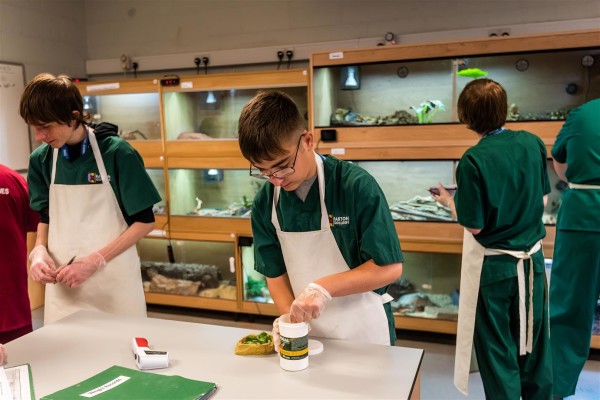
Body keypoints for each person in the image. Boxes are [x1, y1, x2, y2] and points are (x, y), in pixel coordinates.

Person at [237, 90, 403, 346]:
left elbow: (389, 267)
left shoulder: (354, 186)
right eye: (263, 171)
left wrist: (322, 288)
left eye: (282, 165)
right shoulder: (266, 203)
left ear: (307, 141)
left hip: (362, 331)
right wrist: (289, 319)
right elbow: (275, 273)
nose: (276, 179)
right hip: (308, 334)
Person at [433, 79, 553, 398]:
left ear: (466, 117)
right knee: (536, 348)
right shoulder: (532, 143)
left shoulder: (473, 160)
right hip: (533, 264)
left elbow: (474, 226)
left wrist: (449, 201)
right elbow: (541, 200)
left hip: (496, 270)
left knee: (498, 352)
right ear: (504, 109)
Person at [19, 73, 162, 324]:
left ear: (73, 117)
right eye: (34, 127)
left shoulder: (117, 153)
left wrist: (96, 260)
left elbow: (145, 221)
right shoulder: (41, 159)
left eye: (46, 126)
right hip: (64, 291)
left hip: (114, 289)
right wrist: (39, 250)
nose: (39, 136)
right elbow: (46, 216)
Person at [549, 98, 600, 399]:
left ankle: (556, 391)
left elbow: (561, 164)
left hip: (583, 216)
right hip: (582, 215)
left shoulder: (583, 113)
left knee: (569, 310)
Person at [0, 164, 39, 343]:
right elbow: (34, 226)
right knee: (20, 368)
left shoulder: (12, 180)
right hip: (13, 308)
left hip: (12, 308)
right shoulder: (13, 178)